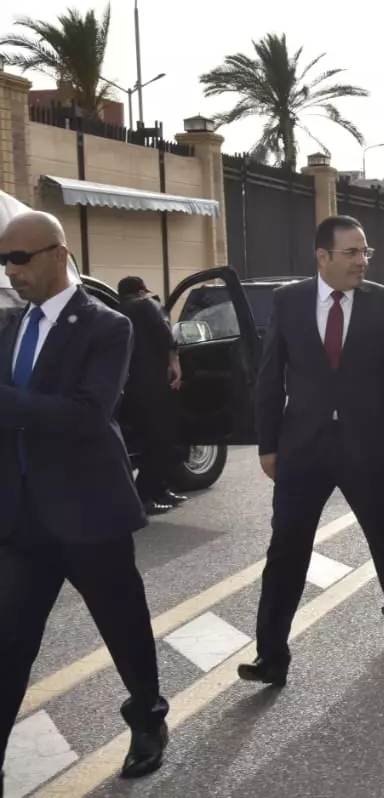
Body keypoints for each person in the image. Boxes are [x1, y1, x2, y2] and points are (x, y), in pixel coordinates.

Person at [0, 211, 169, 787]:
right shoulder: (8, 326)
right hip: (21, 518)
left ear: (57, 254)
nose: (10, 271)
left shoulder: (106, 325)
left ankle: (148, 721)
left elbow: (86, 414)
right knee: (8, 643)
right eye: (3, 261)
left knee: (123, 627)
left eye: (19, 259)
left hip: (89, 512)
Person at [240, 215, 384, 688]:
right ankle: (270, 655)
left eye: (365, 252)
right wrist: (267, 444)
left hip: (369, 446)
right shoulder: (289, 301)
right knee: (286, 549)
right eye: (351, 253)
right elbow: (269, 376)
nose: (362, 261)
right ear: (322, 257)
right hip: (303, 448)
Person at [116, 276, 186, 515]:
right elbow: (165, 335)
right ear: (140, 290)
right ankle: (145, 496)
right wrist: (175, 363)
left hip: (126, 389)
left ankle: (160, 490)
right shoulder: (146, 305)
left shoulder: (113, 310)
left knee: (147, 441)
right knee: (161, 440)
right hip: (152, 385)